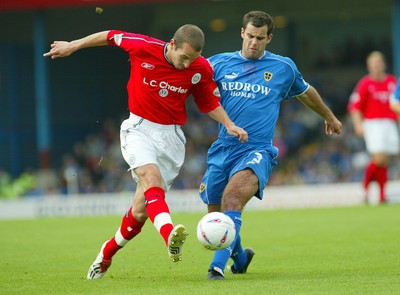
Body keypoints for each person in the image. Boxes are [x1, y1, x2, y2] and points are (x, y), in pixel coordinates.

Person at [44, 25, 248, 279]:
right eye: (183, 57)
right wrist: (73, 44)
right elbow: (109, 35)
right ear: (172, 44)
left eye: (192, 59)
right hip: (139, 127)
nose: (186, 65)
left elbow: (208, 102)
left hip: (171, 138)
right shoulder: (143, 46)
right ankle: (169, 236)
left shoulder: (201, 68)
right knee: (151, 178)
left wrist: (229, 124)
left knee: (140, 211)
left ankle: (106, 253)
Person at [199, 11, 342, 280]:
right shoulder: (217, 64)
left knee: (233, 198)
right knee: (215, 214)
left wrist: (329, 116)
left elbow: (306, 92)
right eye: (250, 36)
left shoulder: (283, 68)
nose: (254, 42)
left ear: (269, 38)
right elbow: (190, 80)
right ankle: (240, 257)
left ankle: (216, 269)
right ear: (242, 33)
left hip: (257, 150)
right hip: (223, 148)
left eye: (260, 38)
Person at [348, 51, 398, 204]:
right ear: (369, 66)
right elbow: (354, 105)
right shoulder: (365, 83)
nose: (376, 67)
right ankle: (365, 187)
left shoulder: (392, 82)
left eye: (378, 63)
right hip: (372, 123)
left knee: (385, 160)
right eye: (373, 64)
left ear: (384, 64)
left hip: (389, 123)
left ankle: (382, 195)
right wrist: (358, 124)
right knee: (379, 156)